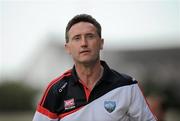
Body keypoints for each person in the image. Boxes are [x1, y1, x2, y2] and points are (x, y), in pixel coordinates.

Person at [32, 14, 157, 121]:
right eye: (77, 38)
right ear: (68, 48)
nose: (84, 43)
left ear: (101, 43)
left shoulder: (127, 86)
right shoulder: (55, 90)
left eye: (90, 36)